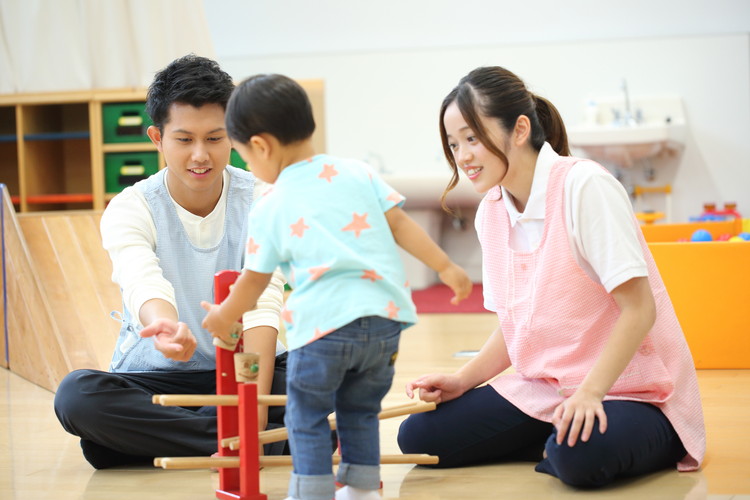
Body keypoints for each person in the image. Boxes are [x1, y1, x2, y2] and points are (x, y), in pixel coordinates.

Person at [397, 66, 706, 488]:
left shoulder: (585, 186)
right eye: (453, 144)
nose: (462, 155)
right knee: (419, 437)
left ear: (520, 129)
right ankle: (555, 440)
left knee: (579, 456)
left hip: (635, 393)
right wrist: (462, 379)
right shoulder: (492, 209)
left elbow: (640, 309)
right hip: (548, 389)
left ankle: (566, 443)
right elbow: (515, 326)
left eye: (472, 138)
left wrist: (592, 392)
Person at [200, 73, 473, 500]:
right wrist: (447, 267)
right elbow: (400, 224)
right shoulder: (356, 172)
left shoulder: (270, 204)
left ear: (262, 146)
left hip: (324, 327)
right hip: (384, 323)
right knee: (360, 410)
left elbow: (252, 282)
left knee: (305, 415)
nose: (248, 168)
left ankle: (312, 493)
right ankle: (362, 491)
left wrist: (222, 315)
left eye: (244, 158)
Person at [53, 54, 289, 469]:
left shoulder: (264, 198)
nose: (201, 155)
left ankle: (165, 438)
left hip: (244, 370)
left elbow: (262, 308)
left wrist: (250, 407)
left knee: (321, 376)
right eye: (184, 139)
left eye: (215, 138)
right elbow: (141, 279)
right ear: (156, 138)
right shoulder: (130, 207)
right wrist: (164, 325)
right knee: (77, 396)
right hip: (157, 378)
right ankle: (256, 440)